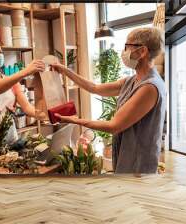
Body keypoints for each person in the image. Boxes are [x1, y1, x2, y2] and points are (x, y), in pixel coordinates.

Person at [51, 27, 166, 174]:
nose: (123, 52)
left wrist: (74, 120)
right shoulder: (132, 80)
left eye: (127, 46)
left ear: (142, 51)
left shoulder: (149, 87)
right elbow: (94, 87)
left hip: (138, 166)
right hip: (127, 158)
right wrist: (65, 71)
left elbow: (114, 126)